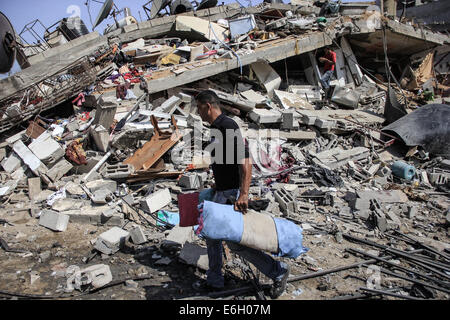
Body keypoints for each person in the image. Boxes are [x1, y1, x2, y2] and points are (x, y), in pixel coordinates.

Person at [194, 90, 290, 299]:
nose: (198, 112)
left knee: (236, 243)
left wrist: (244, 194)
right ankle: (215, 281)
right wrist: (216, 183)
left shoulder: (228, 126)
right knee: (211, 236)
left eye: (199, 108)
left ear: (208, 106)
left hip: (231, 194)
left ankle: (278, 270)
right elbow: (223, 161)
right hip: (221, 191)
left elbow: (245, 162)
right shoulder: (216, 128)